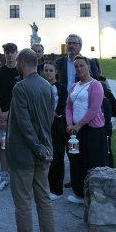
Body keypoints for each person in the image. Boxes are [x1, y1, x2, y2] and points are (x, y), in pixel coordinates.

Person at [4, 49, 56, 232]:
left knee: (23, 202)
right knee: (44, 200)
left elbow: (24, 123)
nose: (16, 65)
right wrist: (44, 148)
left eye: (17, 62)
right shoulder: (47, 86)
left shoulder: (21, 87)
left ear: (23, 62)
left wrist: (37, 147)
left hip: (26, 153)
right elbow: (49, 118)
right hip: (43, 151)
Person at [65, 56, 106, 204]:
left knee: (91, 162)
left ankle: (93, 196)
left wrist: (79, 124)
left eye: (82, 65)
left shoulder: (96, 85)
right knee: (77, 161)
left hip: (91, 129)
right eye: (76, 67)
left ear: (88, 66)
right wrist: (70, 124)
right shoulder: (74, 86)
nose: (79, 69)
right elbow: (68, 106)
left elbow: (93, 109)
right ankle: (79, 193)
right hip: (76, 130)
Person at [0, 42, 20, 191]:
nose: (9, 54)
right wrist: (1, 115)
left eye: (12, 52)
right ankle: (4, 177)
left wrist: (9, 113)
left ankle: (17, 178)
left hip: (17, 116)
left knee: (17, 146)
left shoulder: (21, 72)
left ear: (16, 53)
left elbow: (21, 97)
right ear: (4, 54)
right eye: (7, 52)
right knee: (2, 147)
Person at [42, 61, 68, 199]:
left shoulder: (61, 87)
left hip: (56, 124)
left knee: (57, 156)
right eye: (45, 70)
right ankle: (44, 186)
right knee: (44, 156)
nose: (48, 73)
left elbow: (62, 104)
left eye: (50, 70)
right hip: (42, 124)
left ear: (56, 72)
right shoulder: (40, 86)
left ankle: (57, 190)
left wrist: (53, 113)